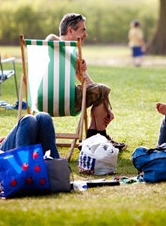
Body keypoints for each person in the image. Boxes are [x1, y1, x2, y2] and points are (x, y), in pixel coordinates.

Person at [46, 13, 126, 151]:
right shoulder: (51, 45)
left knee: (100, 90)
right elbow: (50, 38)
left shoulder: (72, 53)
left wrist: (106, 103)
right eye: (83, 30)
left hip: (41, 102)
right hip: (63, 99)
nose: (86, 34)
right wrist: (73, 59)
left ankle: (95, 137)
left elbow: (90, 84)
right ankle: (98, 138)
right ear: (70, 30)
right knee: (102, 89)